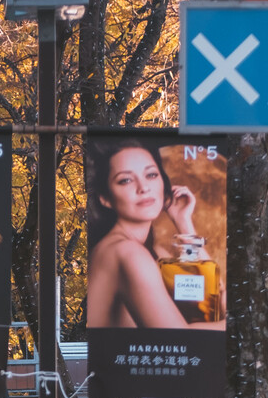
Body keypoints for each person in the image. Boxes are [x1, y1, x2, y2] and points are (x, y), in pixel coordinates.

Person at [84, 139, 226, 335]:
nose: (143, 187)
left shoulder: (139, 250)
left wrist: (184, 222)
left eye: (151, 174)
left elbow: (215, 295)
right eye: (125, 180)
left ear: (163, 182)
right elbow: (178, 337)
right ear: (105, 198)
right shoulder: (127, 252)